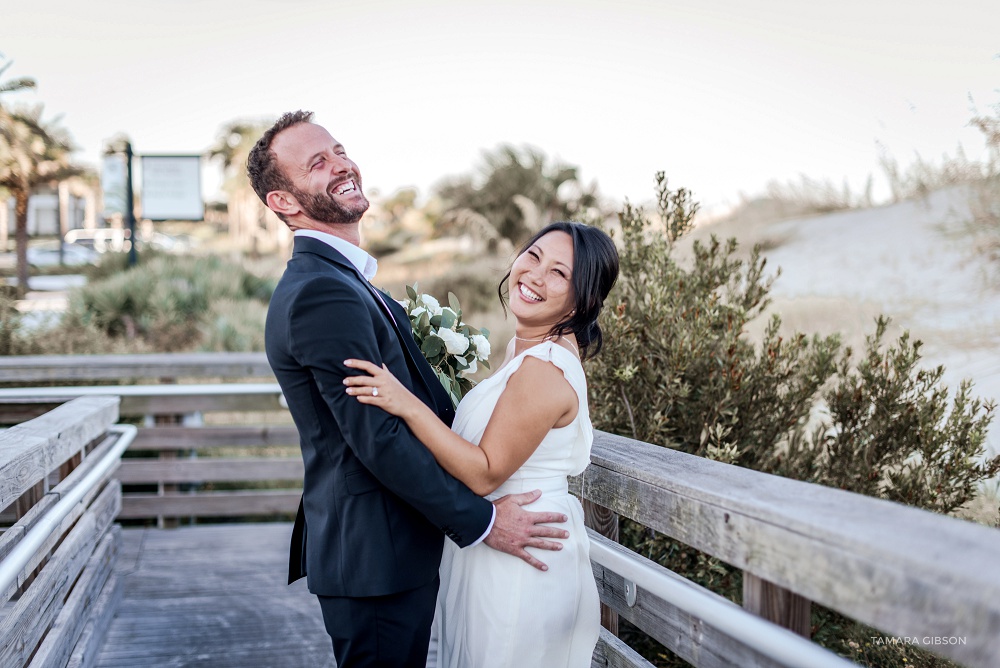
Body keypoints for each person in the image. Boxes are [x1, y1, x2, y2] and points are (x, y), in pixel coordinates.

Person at [248, 110, 570, 668]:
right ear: (284, 202)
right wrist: (485, 522)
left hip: (387, 553)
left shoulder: (342, 282)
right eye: (317, 163)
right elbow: (378, 439)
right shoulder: (322, 293)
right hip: (375, 558)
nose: (341, 165)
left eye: (339, 150)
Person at [343, 221, 620, 667]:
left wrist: (406, 403)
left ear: (583, 299)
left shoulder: (545, 368)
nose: (534, 275)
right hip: (499, 543)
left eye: (559, 273)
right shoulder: (524, 352)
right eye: (533, 256)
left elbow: (484, 470)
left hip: (523, 557)